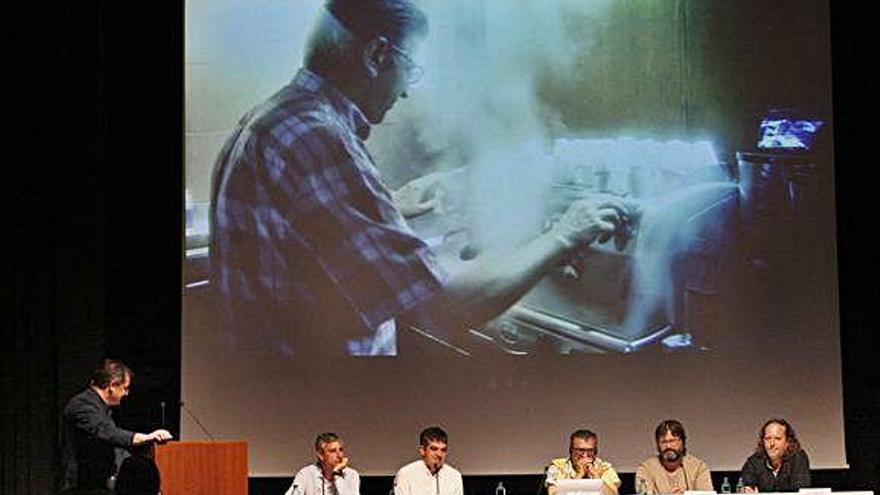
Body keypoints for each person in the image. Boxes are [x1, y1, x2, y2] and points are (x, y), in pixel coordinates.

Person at [209, 0, 633, 356]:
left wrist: (389, 206)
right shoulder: (319, 136)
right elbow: (443, 307)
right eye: (409, 69)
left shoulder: (273, 117)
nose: (407, 91)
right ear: (377, 55)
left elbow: (305, 249)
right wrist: (564, 236)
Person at [60, 359, 173, 492]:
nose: (126, 393)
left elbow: (114, 448)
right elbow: (109, 433)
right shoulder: (82, 405)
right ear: (112, 386)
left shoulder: (101, 408)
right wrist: (147, 437)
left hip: (97, 485)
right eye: (125, 388)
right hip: (80, 486)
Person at [634, 420, 713, 494]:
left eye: (672, 441)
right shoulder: (646, 469)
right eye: (664, 442)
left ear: (682, 442)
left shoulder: (698, 468)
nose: (668, 446)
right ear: (657, 444)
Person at [740, 418, 811, 492]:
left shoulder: (798, 458)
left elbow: (800, 490)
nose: (772, 443)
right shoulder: (754, 462)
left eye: (777, 438)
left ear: (788, 442)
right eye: (767, 438)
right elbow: (745, 486)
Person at [545, 429, 621, 495]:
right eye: (580, 450)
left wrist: (595, 476)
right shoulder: (557, 467)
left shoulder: (605, 467)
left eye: (590, 450)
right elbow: (553, 493)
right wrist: (579, 475)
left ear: (596, 451)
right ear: (571, 450)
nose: (585, 455)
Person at [394, 426, 463, 495]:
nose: (439, 454)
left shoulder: (454, 476)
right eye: (434, 449)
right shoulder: (406, 474)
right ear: (422, 450)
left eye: (443, 450)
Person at [284, 432, 360, 495]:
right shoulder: (306, 474)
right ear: (321, 455)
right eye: (333, 451)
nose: (339, 455)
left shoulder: (351, 475)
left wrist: (336, 473)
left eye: (341, 450)